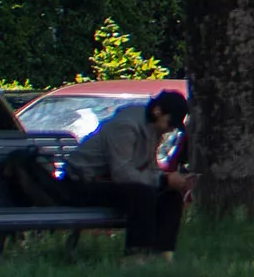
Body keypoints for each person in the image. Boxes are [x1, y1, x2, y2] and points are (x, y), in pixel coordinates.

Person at [74, 87, 189, 259]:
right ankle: (136, 255)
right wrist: (163, 180)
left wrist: (170, 181)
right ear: (157, 111)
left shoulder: (153, 129)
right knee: (142, 194)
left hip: (111, 183)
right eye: (170, 123)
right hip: (83, 183)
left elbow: (147, 168)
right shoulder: (125, 126)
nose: (170, 129)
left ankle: (163, 254)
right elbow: (122, 173)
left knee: (170, 196)